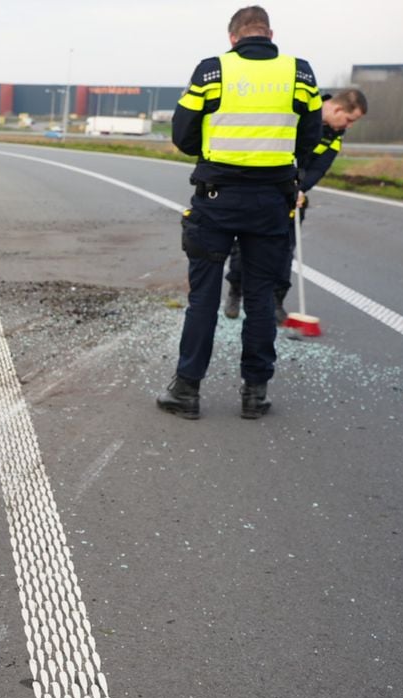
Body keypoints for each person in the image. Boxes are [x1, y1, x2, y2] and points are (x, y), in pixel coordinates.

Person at [157, 5, 322, 420]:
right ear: (269, 34)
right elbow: (311, 136)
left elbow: (182, 134)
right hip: (271, 201)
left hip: (217, 198)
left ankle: (187, 392)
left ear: (233, 37)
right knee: (261, 297)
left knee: (204, 299)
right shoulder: (300, 73)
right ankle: (254, 395)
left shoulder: (213, 70)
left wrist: (214, 154)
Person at [222, 88, 369, 320]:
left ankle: (275, 301)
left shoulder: (335, 133)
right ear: (338, 108)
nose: (349, 126)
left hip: (293, 196)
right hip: (265, 188)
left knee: (284, 249)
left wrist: (300, 189)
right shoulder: (299, 110)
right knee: (245, 244)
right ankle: (235, 293)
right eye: (349, 120)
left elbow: (320, 167)